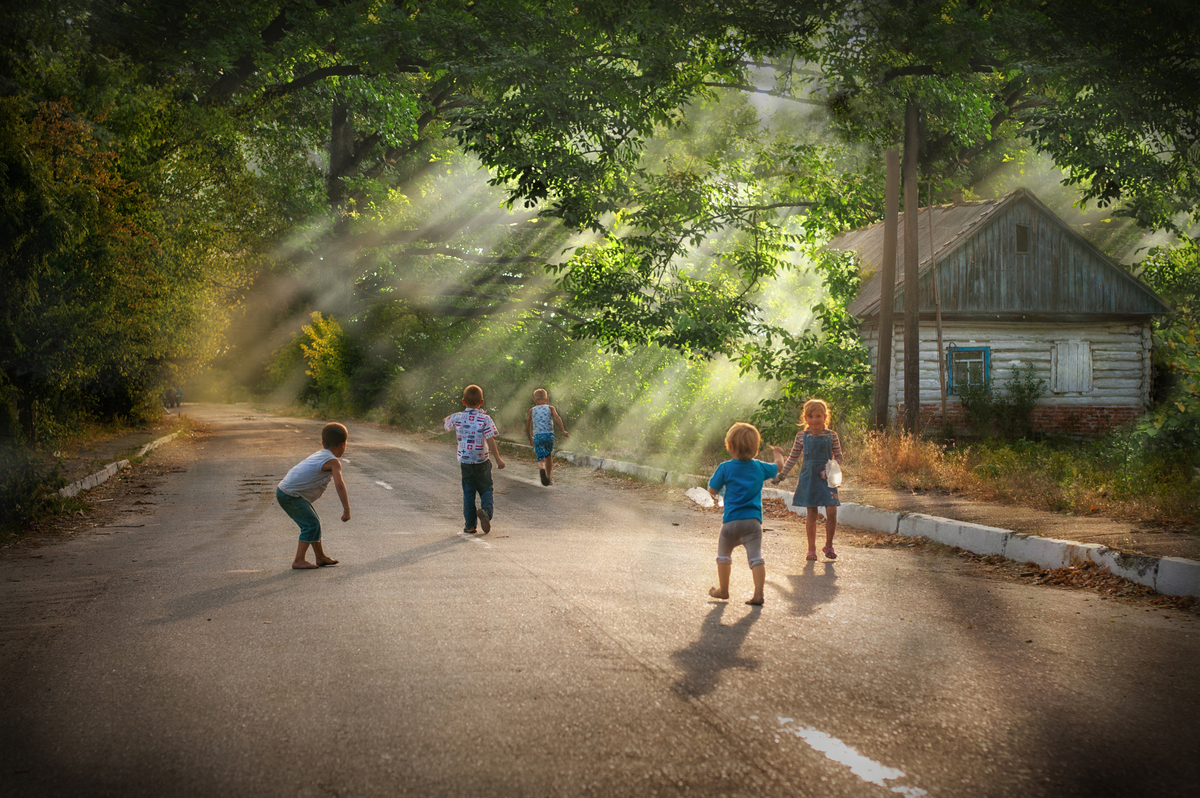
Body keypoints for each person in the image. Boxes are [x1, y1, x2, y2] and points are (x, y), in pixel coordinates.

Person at [707, 422, 785, 606]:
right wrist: (777, 453)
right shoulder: (760, 467)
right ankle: (758, 593)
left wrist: (717, 493)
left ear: (730, 446)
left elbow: (712, 489)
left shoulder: (725, 468)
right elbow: (779, 467)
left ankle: (723, 590)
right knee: (756, 556)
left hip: (731, 522)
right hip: (753, 522)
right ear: (755, 448)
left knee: (724, 554)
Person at [772, 398, 843, 561]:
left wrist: (830, 467)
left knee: (832, 511)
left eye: (818, 416)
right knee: (812, 513)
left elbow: (839, 456)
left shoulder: (831, 435)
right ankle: (811, 549)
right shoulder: (801, 436)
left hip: (827, 479)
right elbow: (792, 458)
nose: (815, 420)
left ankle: (829, 545)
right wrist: (781, 476)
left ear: (825, 417)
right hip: (809, 477)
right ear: (806, 418)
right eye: (811, 417)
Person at [276, 422, 351, 570]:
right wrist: (346, 509)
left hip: (287, 492)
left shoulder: (321, 454)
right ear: (344, 444)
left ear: (323, 443)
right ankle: (299, 560)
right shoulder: (333, 462)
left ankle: (320, 557)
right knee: (310, 525)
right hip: (290, 495)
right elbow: (340, 485)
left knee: (313, 521)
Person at [444, 384, 506, 534]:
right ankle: (486, 512)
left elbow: (446, 424)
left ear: (463, 401)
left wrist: (453, 418)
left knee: (469, 492)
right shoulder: (485, 419)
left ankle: (470, 525)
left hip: (465, 461)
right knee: (485, 489)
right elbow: (490, 439)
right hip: (482, 461)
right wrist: (498, 459)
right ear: (482, 401)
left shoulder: (458, 417)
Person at [525, 388, 569, 485]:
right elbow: (557, 418)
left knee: (541, 458)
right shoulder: (550, 408)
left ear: (534, 399)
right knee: (548, 455)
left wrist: (530, 438)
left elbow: (527, 427)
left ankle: (542, 469)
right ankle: (548, 476)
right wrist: (563, 430)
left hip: (538, 436)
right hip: (549, 435)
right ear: (547, 399)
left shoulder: (532, 410)